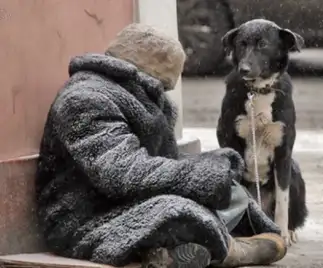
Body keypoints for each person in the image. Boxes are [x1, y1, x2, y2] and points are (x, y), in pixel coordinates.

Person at [35, 23, 287, 268]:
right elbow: (123, 172)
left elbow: (159, 162)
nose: (164, 94)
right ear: (141, 75)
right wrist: (198, 176)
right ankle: (230, 251)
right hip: (84, 220)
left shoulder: (136, 96)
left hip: (127, 201)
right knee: (177, 210)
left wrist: (210, 166)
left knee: (228, 187)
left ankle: (175, 252)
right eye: (162, 86)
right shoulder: (85, 100)